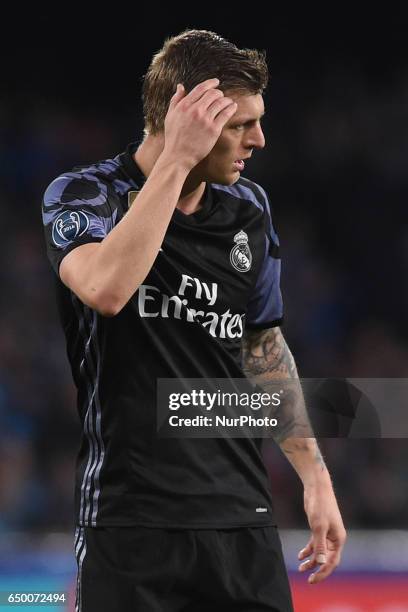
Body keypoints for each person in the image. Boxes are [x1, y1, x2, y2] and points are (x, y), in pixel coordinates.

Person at [42, 29, 346, 612]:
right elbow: (106, 288)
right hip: (129, 524)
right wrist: (177, 160)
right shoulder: (86, 195)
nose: (258, 139)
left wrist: (316, 478)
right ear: (182, 118)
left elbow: (261, 346)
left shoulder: (248, 208)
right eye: (238, 125)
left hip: (242, 523)